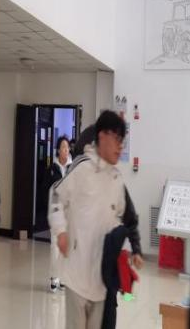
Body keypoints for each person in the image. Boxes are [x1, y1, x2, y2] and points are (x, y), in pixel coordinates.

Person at [49, 111, 143, 329]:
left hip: (101, 282)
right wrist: (61, 231)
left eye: (122, 140)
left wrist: (132, 250)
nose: (120, 146)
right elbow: (56, 195)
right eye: (117, 139)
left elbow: (124, 221)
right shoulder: (82, 168)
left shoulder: (116, 180)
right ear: (102, 136)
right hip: (77, 276)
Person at [47, 136, 72, 292]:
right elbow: (47, 189)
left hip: (69, 212)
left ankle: (62, 278)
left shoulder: (72, 168)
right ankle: (54, 277)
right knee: (54, 247)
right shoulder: (52, 168)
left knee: (66, 247)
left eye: (67, 147)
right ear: (58, 150)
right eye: (63, 147)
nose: (66, 149)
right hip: (56, 211)